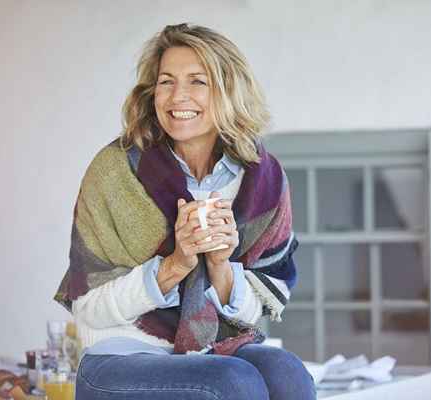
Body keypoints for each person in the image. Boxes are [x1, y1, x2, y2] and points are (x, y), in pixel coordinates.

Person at [54, 23, 316, 400]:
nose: (178, 96)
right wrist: (175, 264)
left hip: (217, 349)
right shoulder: (116, 171)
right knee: (232, 381)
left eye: (198, 81)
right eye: (166, 81)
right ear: (152, 91)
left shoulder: (264, 179)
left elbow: (258, 308)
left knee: (287, 374)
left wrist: (221, 266)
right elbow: (89, 309)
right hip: (120, 357)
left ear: (228, 91)